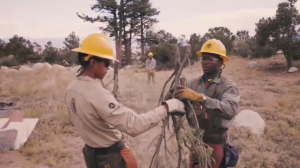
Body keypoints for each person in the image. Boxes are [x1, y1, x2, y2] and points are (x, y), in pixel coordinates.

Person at [63, 33, 186, 168]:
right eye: (106, 63)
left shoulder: (71, 89)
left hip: (91, 154)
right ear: (92, 62)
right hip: (111, 158)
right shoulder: (97, 94)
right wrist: (168, 107)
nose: (108, 68)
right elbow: (134, 125)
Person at [166, 39, 240, 168]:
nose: (205, 62)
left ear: (221, 62)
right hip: (196, 141)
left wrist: (201, 98)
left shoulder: (228, 86)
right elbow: (180, 108)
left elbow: (230, 111)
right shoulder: (192, 84)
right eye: (203, 58)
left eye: (210, 59)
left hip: (216, 142)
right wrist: (171, 97)